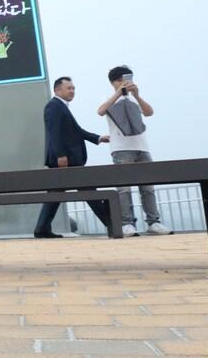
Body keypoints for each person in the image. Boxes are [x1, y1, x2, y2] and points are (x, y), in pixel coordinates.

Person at [34, 76, 113, 238]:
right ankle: (112, 223)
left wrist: (98, 138)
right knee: (89, 191)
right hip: (65, 161)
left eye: (73, 88)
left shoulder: (60, 106)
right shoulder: (53, 106)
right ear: (57, 90)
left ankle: (41, 229)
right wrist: (61, 156)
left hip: (67, 160)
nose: (72, 91)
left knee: (55, 195)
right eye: (69, 88)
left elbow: (77, 131)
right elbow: (53, 133)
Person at [98, 66, 170, 236]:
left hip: (142, 147)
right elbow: (100, 111)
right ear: (114, 81)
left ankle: (154, 222)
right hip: (121, 149)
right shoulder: (109, 98)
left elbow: (149, 112)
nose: (127, 82)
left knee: (148, 187)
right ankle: (127, 223)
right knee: (123, 188)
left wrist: (136, 94)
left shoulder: (134, 99)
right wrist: (119, 92)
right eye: (123, 79)